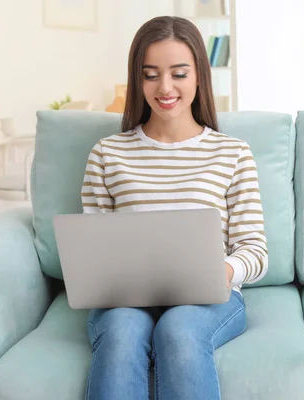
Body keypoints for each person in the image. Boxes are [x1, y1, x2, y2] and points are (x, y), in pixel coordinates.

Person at [80, 16, 268, 400]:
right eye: (151, 75)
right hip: (125, 301)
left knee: (179, 329)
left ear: (199, 76)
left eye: (179, 73)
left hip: (207, 300)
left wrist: (226, 269)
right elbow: (91, 250)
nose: (165, 88)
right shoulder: (107, 153)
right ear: (138, 79)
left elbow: (255, 250)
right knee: (121, 332)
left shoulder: (233, 153)